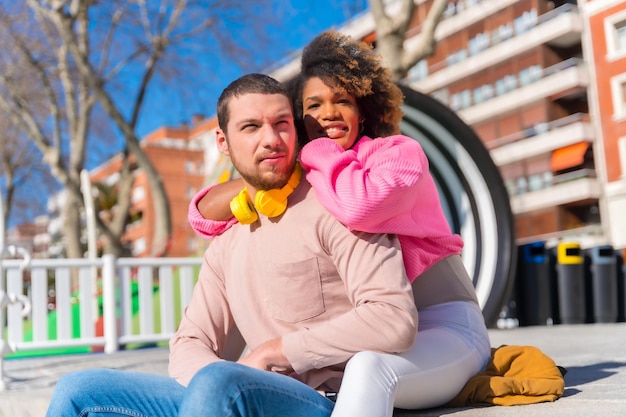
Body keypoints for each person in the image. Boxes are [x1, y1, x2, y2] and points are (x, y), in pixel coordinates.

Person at [45, 73, 419, 417]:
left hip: (326, 400)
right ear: (222, 141)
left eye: (282, 124)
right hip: (232, 393)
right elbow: (191, 342)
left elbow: (393, 318)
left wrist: (276, 352)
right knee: (78, 390)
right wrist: (213, 387)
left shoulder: (338, 203)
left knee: (220, 383)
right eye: (251, 127)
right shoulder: (228, 237)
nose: (270, 139)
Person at [187, 30, 492, 417]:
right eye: (314, 104)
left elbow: (361, 206)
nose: (328, 112)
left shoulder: (396, 153)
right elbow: (202, 217)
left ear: (362, 110)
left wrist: (314, 151)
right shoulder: (317, 173)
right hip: (386, 335)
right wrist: (257, 181)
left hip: (444, 329)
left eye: (342, 101)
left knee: (368, 370)